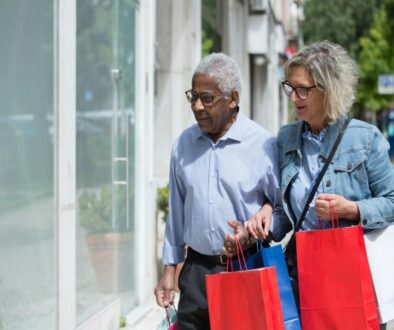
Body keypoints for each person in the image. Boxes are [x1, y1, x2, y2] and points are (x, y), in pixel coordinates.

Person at [243, 41, 394, 330]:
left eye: (303, 90)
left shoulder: (365, 139)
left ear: (328, 89)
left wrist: (351, 209)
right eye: (290, 88)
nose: (294, 98)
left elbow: (392, 201)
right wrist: (265, 221)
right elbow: (288, 214)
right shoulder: (287, 139)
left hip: (352, 271)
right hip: (301, 271)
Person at [154, 53, 283, 330]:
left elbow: (282, 209)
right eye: (193, 97)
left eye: (207, 98)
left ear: (233, 98)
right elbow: (176, 213)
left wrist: (256, 228)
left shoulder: (262, 144)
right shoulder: (183, 145)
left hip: (246, 267)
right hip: (196, 273)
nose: (197, 106)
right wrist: (168, 269)